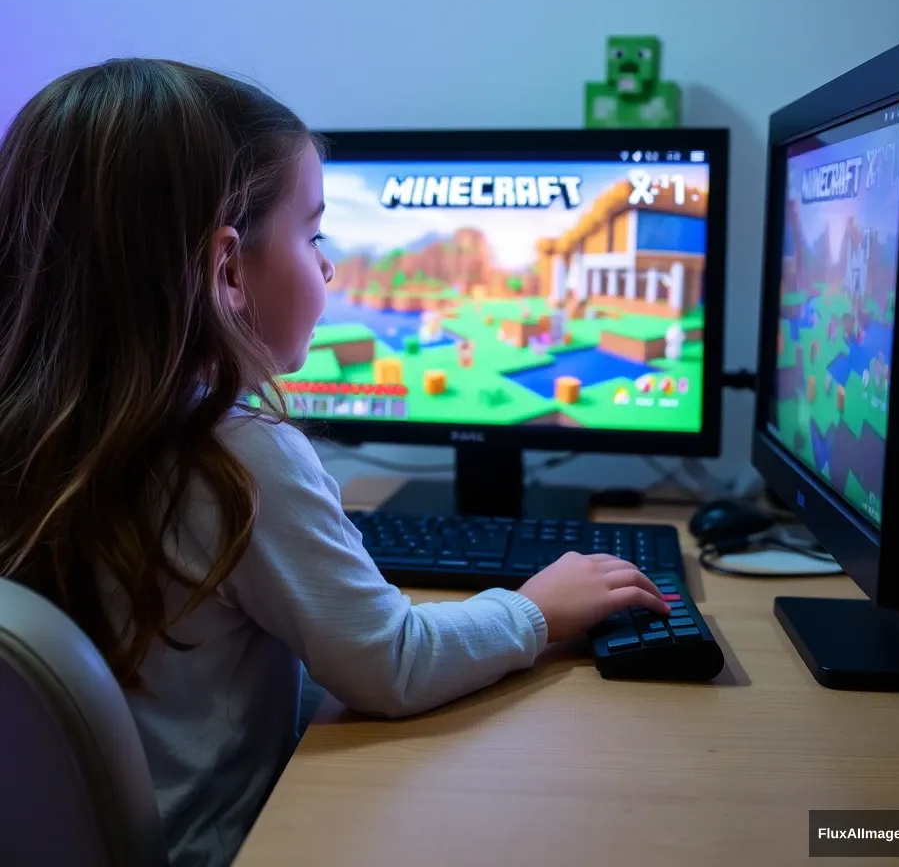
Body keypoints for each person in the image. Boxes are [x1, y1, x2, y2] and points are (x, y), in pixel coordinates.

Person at [0, 59, 671, 867]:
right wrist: (537, 609)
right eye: (313, 233)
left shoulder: (32, 435)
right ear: (227, 269)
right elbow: (391, 664)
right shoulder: (239, 459)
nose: (326, 266)